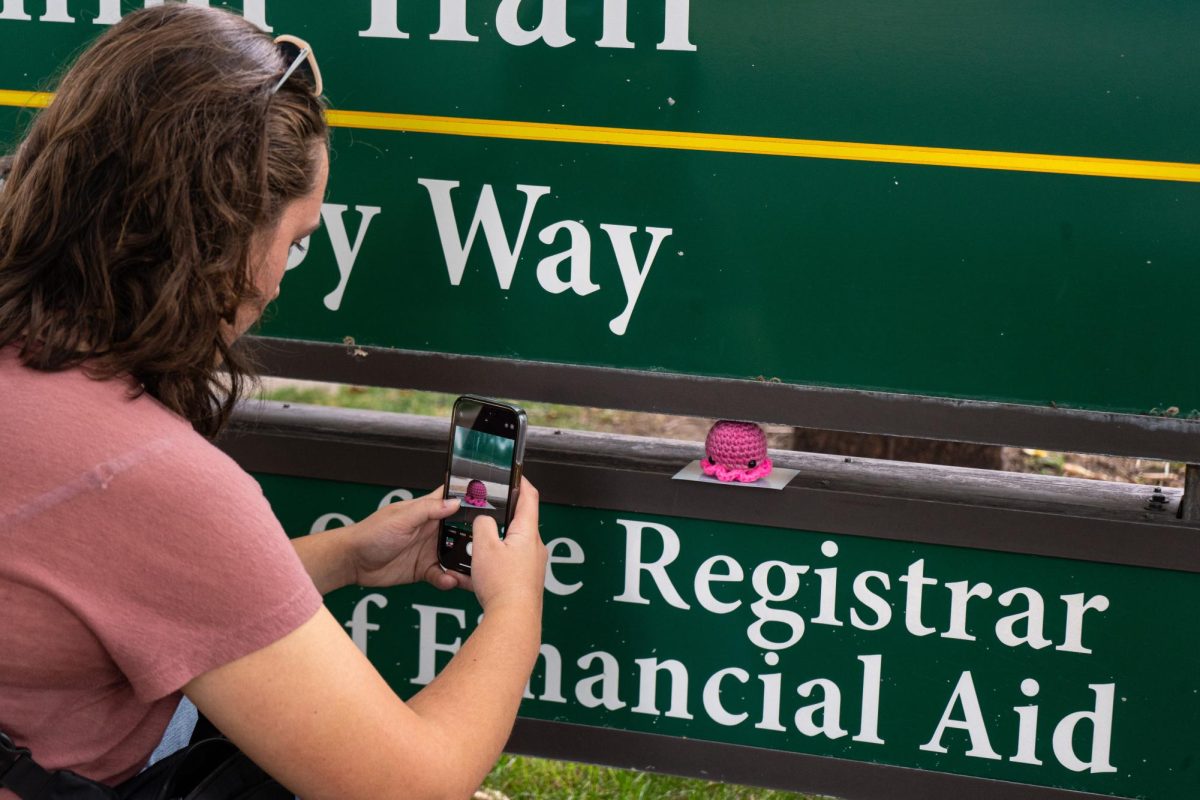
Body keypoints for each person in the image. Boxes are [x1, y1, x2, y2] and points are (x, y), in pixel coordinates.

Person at [0, 5, 547, 799]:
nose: (283, 277)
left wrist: (343, 555)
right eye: (292, 242)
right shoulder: (146, 477)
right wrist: (515, 607)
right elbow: (411, 786)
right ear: (214, 241)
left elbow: (105, 581)